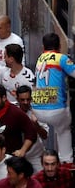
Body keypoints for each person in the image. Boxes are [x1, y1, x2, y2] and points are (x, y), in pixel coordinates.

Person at [31, 32, 75, 164]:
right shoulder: (61, 58)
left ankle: (43, 157)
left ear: (43, 46)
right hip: (56, 108)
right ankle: (66, 160)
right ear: (60, 46)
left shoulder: (40, 58)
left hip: (37, 107)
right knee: (64, 129)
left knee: (52, 126)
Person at [15, 85, 48, 172]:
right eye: (22, 100)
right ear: (17, 99)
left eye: (28, 99)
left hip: (35, 155)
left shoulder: (38, 111)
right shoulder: (12, 111)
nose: (26, 102)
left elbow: (45, 136)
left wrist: (35, 124)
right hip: (16, 155)